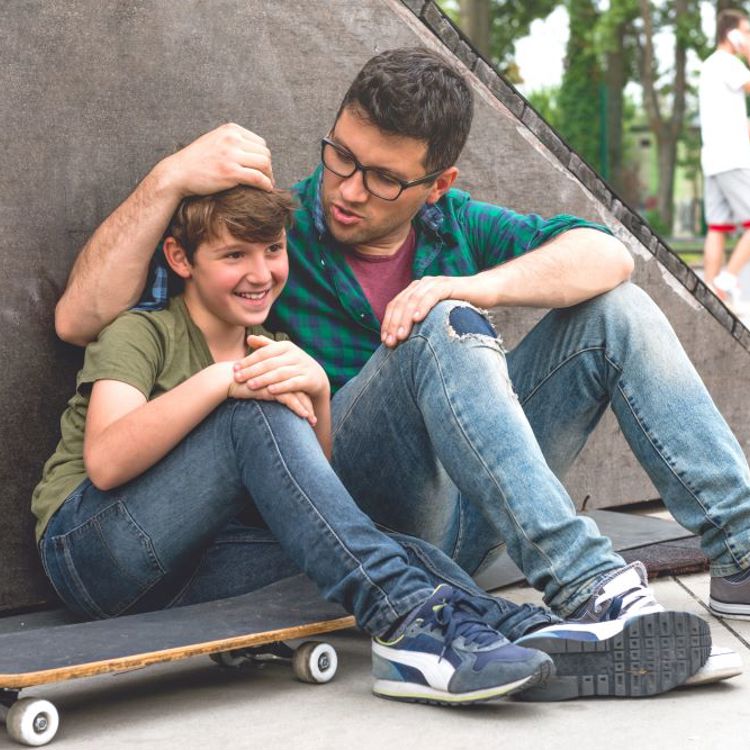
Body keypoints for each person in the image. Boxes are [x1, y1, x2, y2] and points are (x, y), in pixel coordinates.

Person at [54, 48, 738, 695]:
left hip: (464, 515)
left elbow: (608, 255)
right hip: (351, 507)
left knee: (615, 310)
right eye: (340, 157)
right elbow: (81, 319)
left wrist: (470, 287)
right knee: (434, 327)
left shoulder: (457, 227)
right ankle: (589, 588)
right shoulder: (273, 241)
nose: (348, 190)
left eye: (382, 178)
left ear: (437, 186)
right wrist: (169, 176)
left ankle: (738, 549)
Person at [699, 9, 750, 303]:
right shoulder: (729, 63)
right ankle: (728, 279)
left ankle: (709, 291)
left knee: (717, 228)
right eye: (746, 32)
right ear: (730, 33)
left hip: (714, 160)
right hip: (733, 159)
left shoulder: (709, 66)